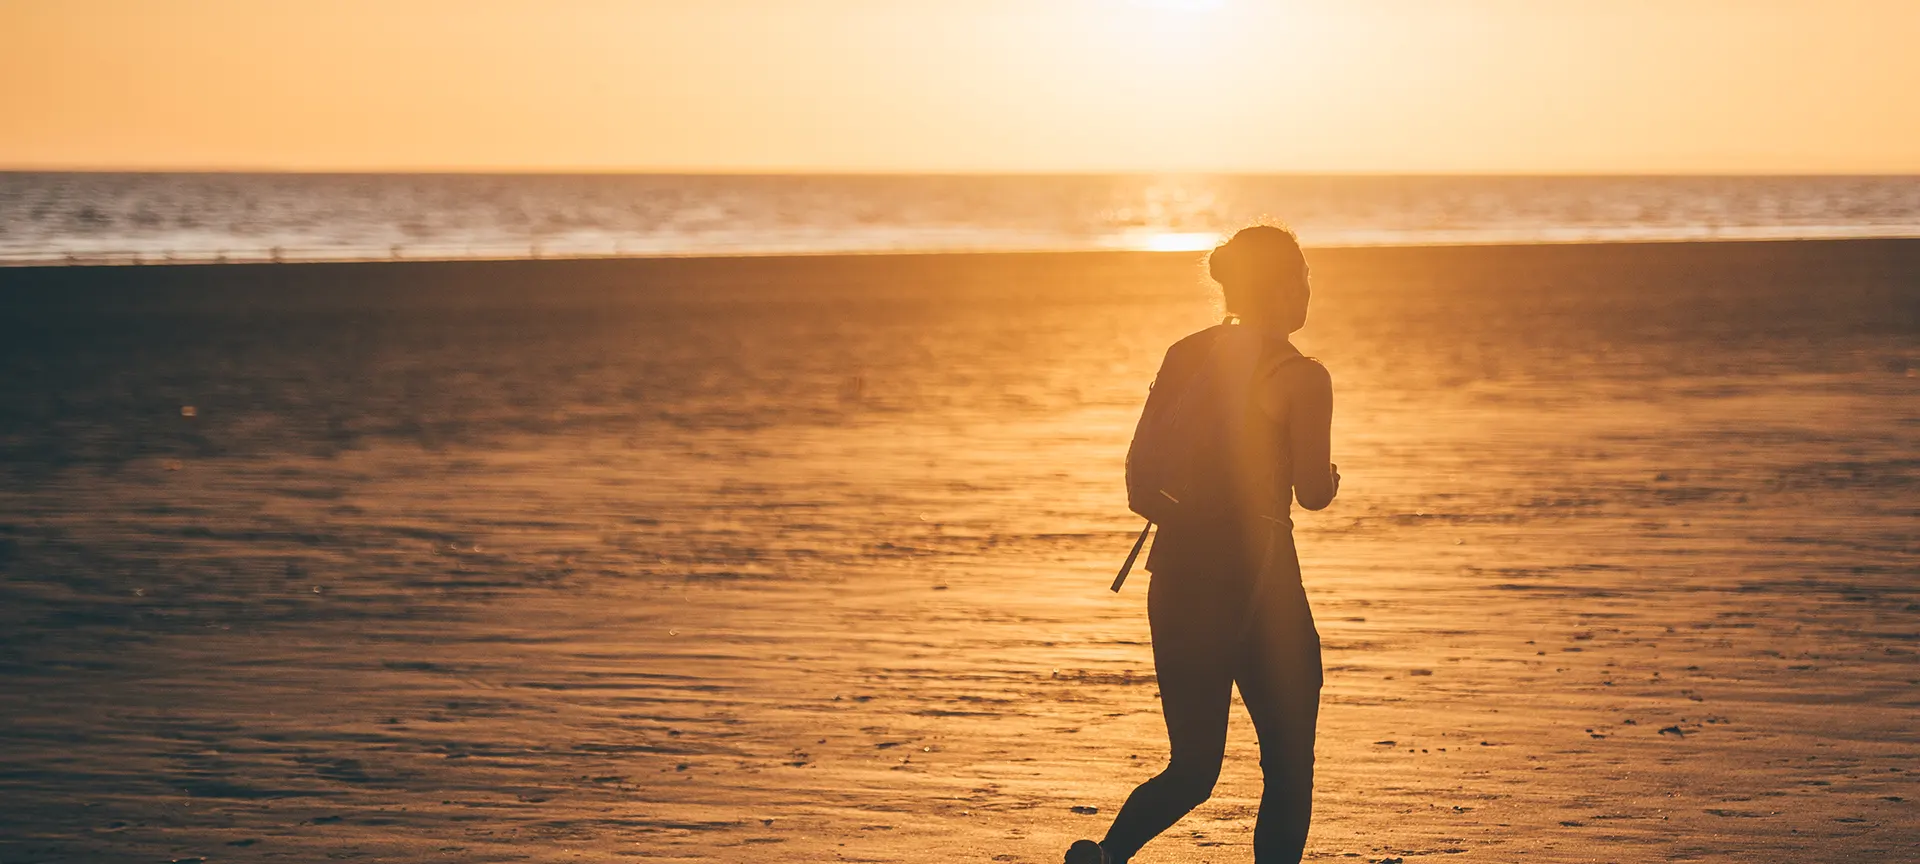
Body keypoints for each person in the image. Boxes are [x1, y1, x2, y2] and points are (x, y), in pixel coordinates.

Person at [1067, 225, 1340, 864]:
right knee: (1289, 763)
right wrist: (1329, 477)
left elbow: (1140, 473)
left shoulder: (1184, 353)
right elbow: (1312, 493)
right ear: (1283, 285)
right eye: (1303, 277)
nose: (1308, 291)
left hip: (1178, 575)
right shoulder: (1302, 377)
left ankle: (1105, 858)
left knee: (1192, 768)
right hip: (1262, 584)